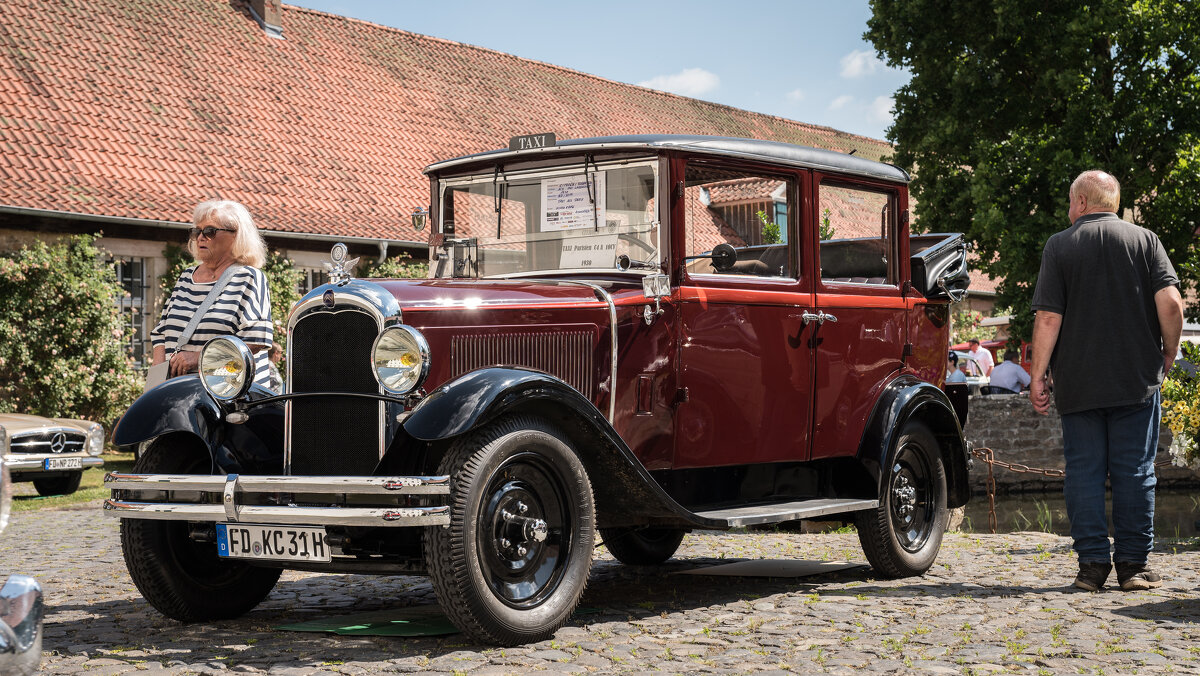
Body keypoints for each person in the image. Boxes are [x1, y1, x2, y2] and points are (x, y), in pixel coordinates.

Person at [1029, 170, 1184, 592]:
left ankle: (1092, 568)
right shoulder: (1145, 240)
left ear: (1080, 202)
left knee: (1084, 472)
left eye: (1068, 201)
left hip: (1078, 380)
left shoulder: (1059, 245)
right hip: (1135, 378)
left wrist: (1038, 374)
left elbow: (1048, 317)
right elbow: (1170, 303)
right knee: (1136, 471)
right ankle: (1133, 566)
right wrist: (1168, 351)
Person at [150, 200, 274, 388]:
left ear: (236, 236)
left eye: (210, 231)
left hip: (230, 399)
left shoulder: (249, 278)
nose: (200, 237)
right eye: (196, 231)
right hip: (179, 395)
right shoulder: (186, 277)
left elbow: (254, 342)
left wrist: (199, 359)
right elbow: (161, 334)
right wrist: (156, 386)